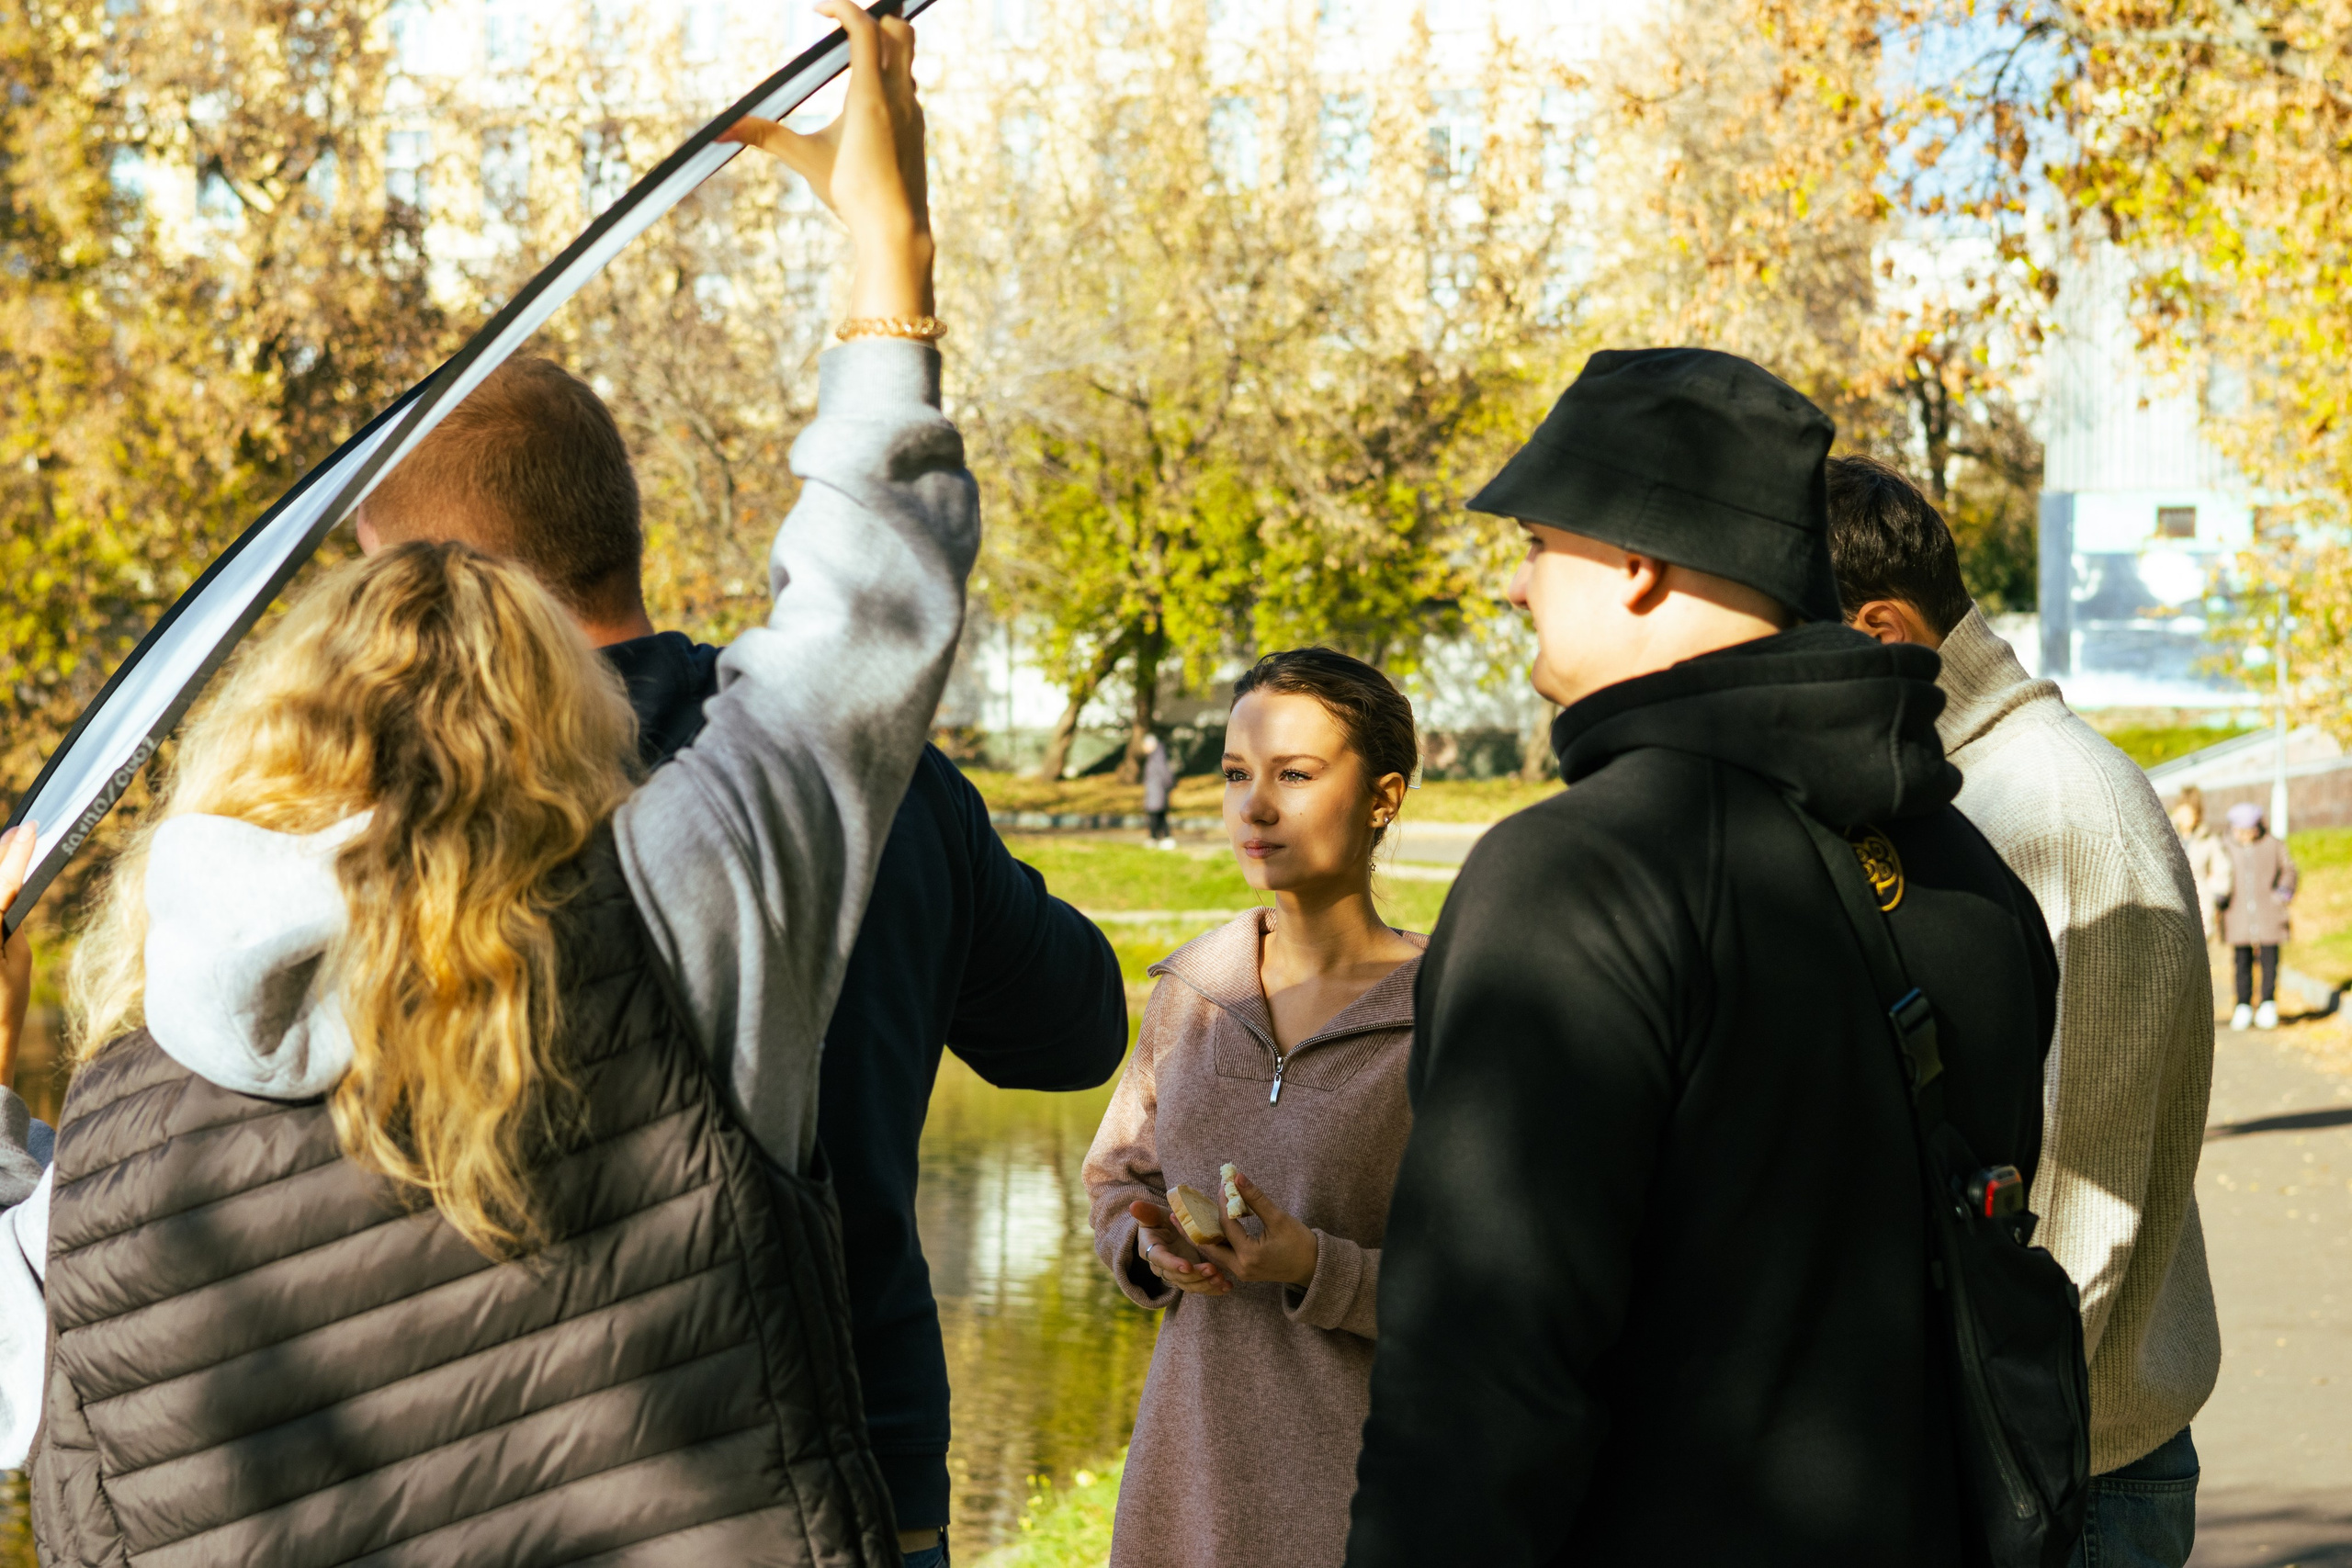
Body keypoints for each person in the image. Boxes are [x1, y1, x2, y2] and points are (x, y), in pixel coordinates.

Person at [0, 9, 968, 1562]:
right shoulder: (674, 935)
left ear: (266, 739)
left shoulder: (118, 1134)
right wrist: (889, 255)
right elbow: (866, 611)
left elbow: (32, 1398)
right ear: (560, 719)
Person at [356, 310, 1125, 1568]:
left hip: (581, 1475)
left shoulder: (451, 818)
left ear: (441, 579)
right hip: (875, 1469)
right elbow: (1077, 1025)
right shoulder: (873, 777)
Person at [1346, 348, 2062, 1567]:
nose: (1517, 588)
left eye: (1533, 544)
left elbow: (1479, 1388)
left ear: (1636, 560)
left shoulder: (1574, 877)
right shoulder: (1974, 875)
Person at [1826, 452, 2220, 1568]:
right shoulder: (1956, 790)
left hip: (2059, 1481)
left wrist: (1964, 1457)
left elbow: (2083, 1212)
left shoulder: (2058, 811)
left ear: (1878, 636)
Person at [1085, 648, 1424, 1568]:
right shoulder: (1192, 991)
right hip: (1184, 1488)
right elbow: (1118, 1176)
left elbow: (1508, 1293)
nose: (1254, 807)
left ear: (1383, 798)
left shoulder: (1452, 1015)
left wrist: (1314, 1263)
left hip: (1369, 1503)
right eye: (1236, 775)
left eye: (1295, 776)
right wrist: (1145, 1238)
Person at [2222, 799, 2297, 1031]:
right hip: (2237, 913)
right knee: (2241, 961)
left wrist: (2281, 894)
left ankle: (2267, 1003)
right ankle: (2243, 1005)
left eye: (2249, 830)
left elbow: (2289, 870)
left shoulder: (2272, 844)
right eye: (2240, 831)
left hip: (2268, 913)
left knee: (2269, 960)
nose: (2245, 836)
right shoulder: (2225, 846)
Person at [2171, 784, 2233, 943]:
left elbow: (2222, 869)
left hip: (2201, 903)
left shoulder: (2208, 839)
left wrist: (2216, 894)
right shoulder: (2166, 836)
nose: (2185, 818)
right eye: (2182, 813)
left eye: (2190, 813)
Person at [1141, 730, 1177, 848]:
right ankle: (1161, 838)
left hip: (1157, 791)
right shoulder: (1155, 757)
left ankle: (1156, 838)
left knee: (1156, 816)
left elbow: (1165, 775)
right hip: (1155, 791)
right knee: (1159, 815)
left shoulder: (1157, 758)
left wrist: (1167, 787)